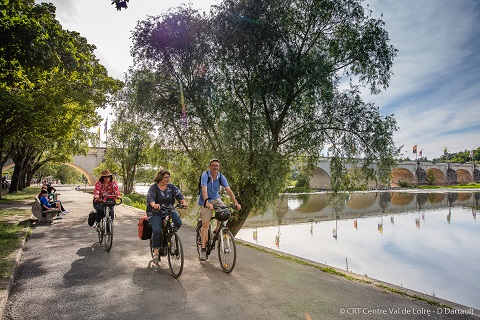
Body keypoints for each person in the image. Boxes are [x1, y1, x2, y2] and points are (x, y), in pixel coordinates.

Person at [197, 159, 241, 261]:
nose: (215, 167)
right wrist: (207, 202)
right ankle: (203, 249)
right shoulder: (205, 175)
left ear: (219, 167)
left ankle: (217, 230)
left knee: (224, 212)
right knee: (205, 225)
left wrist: (236, 203)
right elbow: (204, 189)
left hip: (216, 198)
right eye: (213, 165)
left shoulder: (220, 176)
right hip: (205, 200)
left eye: (217, 166)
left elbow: (228, 190)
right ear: (210, 166)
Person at [146, 170, 188, 264]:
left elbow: (179, 195)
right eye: (165, 177)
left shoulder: (171, 187)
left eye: (168, 177)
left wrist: (183, 202)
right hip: (155, 212)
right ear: (160, 178)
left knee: (178, 222)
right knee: (157, 230)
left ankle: (168, 236)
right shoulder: (154, 187)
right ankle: (156, 252)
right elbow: (150, 198)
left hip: (169, 209)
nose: (167, 179)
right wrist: (154, 205)